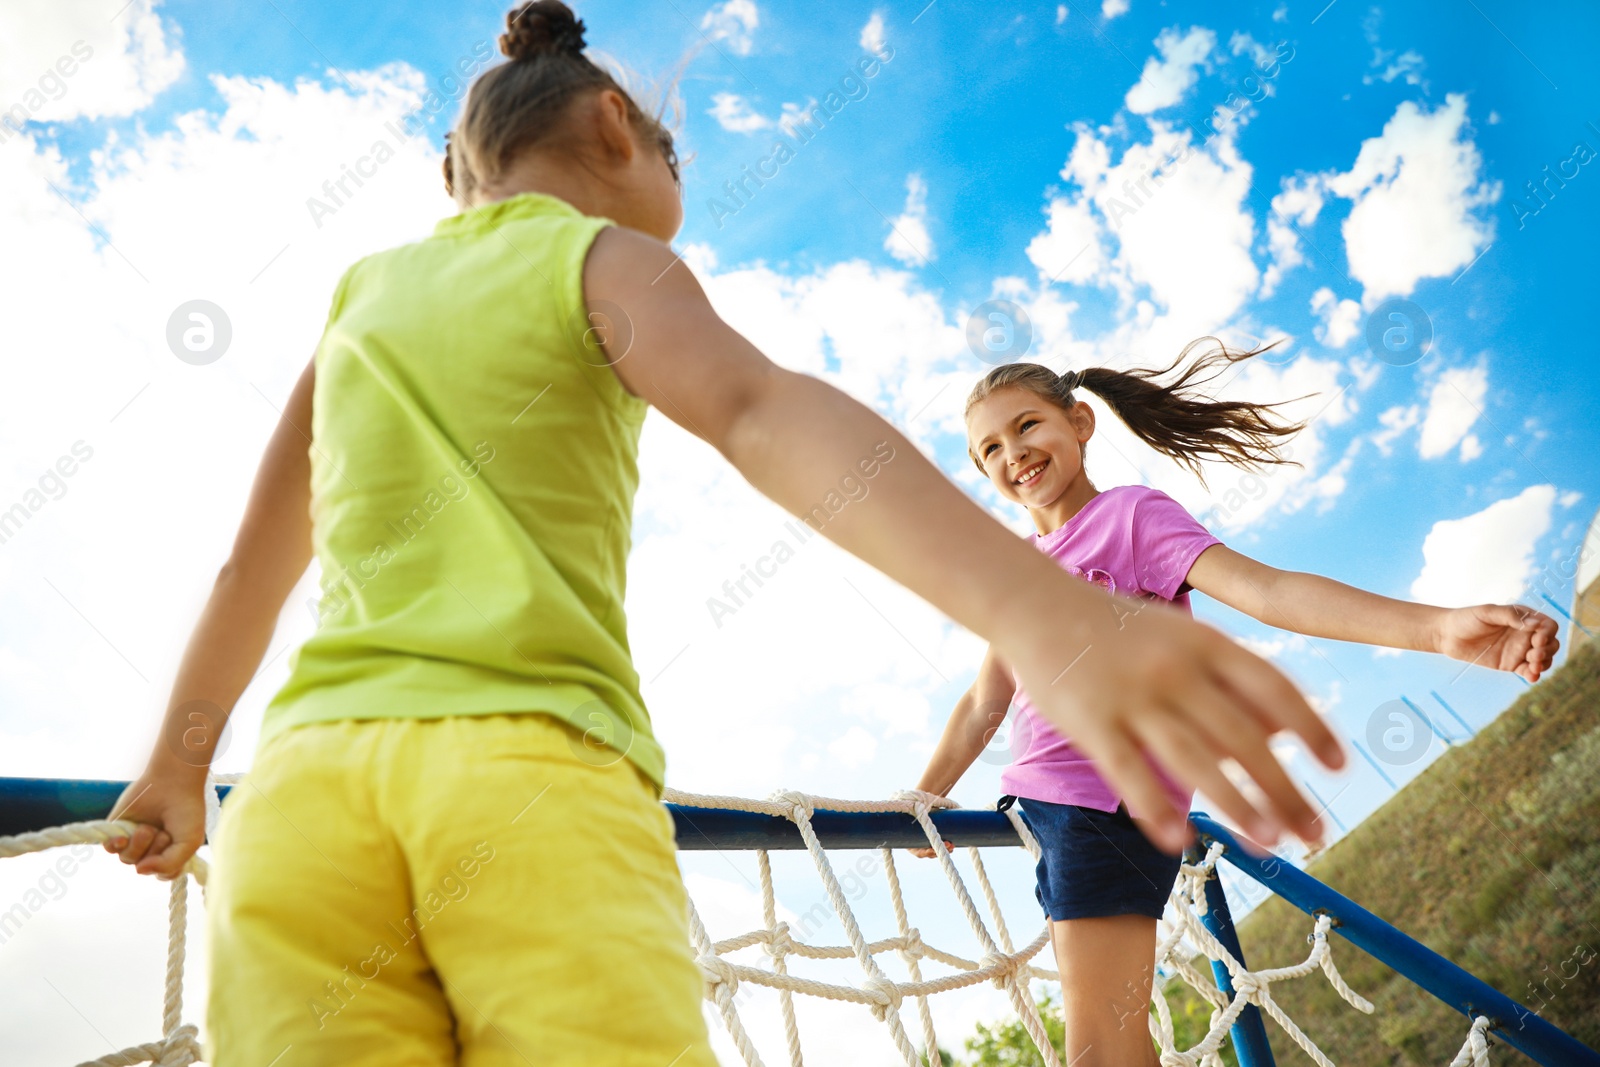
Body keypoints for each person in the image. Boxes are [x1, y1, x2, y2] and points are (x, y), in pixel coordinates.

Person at [101, 3, 1350, 1063]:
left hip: (301, 797)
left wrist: (173, 764)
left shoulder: (358, 300)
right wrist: (1037, 602)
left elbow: (251, 563)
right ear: (609, 131)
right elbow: (760, 414)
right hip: (525, 779)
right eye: (673, 152)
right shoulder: (599, 257)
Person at [910, 353, 1559, 1066]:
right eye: (989, 449)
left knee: (1099, 1052)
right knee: (1112, 1047)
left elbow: (1267, 589)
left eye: (1026, 424)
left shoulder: (1128, 517)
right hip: (1050, 818)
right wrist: (924, 793)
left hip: (1106, 810)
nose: (1014, 453)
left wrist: (1437, 629)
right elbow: (985, 700)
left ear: (1080, 420)